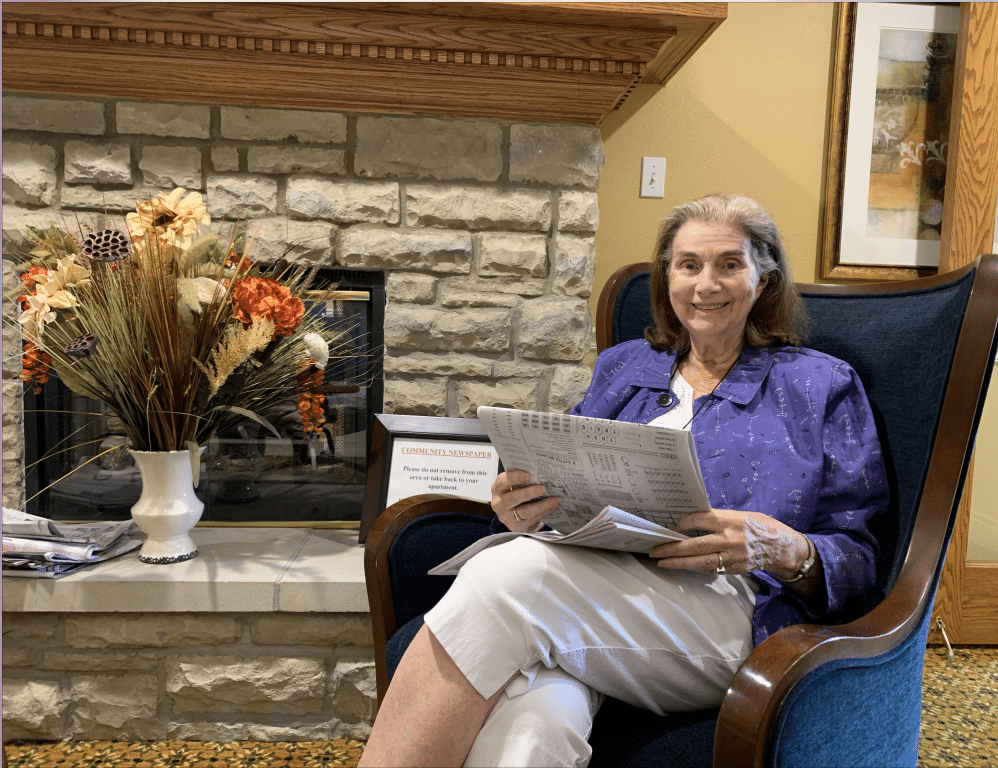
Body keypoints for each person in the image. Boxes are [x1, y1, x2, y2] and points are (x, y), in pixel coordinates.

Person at [359, 194, 890, 768]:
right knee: (533, 725)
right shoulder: (624, 367)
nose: (705, 283)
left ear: (764, 279)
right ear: (668, 279)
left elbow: (861, 558)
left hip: (732, 609)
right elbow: (562, 476)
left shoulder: (818, 385)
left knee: (503, 574)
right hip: (591, 584)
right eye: (688, 265)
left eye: (729, 264)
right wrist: (522, 509)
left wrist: (783, 547)